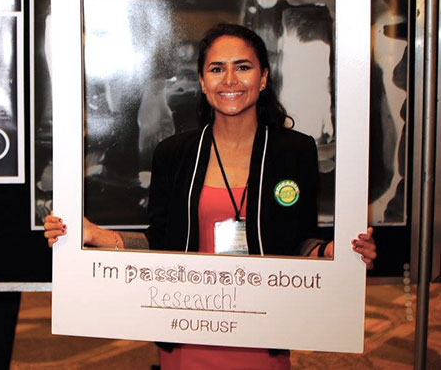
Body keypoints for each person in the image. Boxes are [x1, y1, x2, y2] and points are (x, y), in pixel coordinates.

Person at [45, 23, 376, 369]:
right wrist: (94, 236)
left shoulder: (294, 151)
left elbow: (298, 241)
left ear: (263, 78)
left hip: (264, 330)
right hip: (188, 333)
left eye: (243, 67)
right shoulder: (174, 153)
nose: (230, 80)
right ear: (202, 82)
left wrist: (333, 253)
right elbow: (159, 241)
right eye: (217, 69)